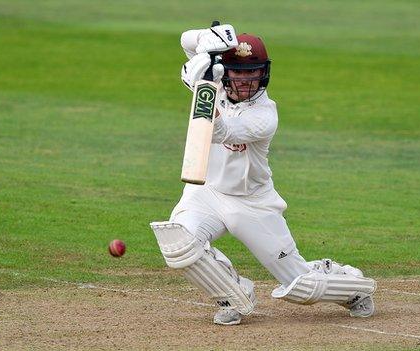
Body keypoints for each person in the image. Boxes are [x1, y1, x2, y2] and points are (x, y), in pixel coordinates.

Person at [150, 25, 376, 326]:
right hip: (206, 192)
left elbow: (218, 131)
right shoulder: (215, 80)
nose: (245, 81)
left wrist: (201, 87)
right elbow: (185, 40)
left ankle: (353, 287)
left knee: (301, 287)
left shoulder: (265, 115)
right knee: (178, 244)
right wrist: (206, 40)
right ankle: (232, 295)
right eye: (238, 73)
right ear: (225, 70)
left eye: (252, 73)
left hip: (252, 203)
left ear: (263, 74)